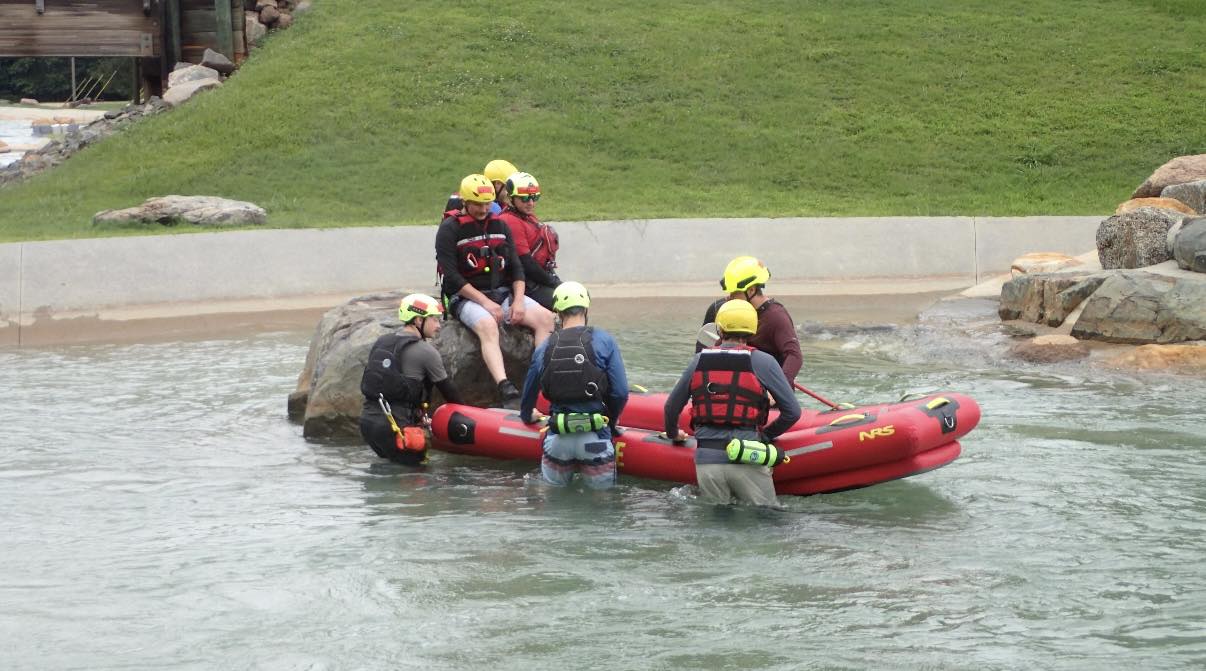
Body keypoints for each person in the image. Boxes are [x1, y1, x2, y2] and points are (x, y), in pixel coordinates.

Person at [435, 173, 554, 408]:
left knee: (546, 318)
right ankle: (505, 386)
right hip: (465, 298)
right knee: (488, 325)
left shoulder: (500, 224)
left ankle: (539, 380)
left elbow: (517, 269)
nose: (483, 209)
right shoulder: (449, 230)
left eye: (487, 204)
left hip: (502, 293)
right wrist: (486, 303)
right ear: (466, 203)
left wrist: (518, 300)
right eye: (478, 204)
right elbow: (452, 276)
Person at [665, 299, 801, 506]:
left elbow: (671, 407)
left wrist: (673, 433)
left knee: (716, 527)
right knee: (767, 521)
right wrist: (765, 436)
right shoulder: (763, 361)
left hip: (707, 464)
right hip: (747, 456)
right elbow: (792, 412)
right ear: (752, 330)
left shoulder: (699, 361)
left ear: (719, 329)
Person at [520, 282, 629, 489]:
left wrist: (527, 415)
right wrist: (611, 422)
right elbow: (620, 392)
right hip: (596, 437)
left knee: (554, 502)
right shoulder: (604, 340)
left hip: (558, 439)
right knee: (602, 505)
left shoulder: (544, 347)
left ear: (558, 311)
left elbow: (529, 392)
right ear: (586, 308)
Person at [360, 293, 466, 466]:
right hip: (397, 428)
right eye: (434, 319)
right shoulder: (426, 351)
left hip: (368, 424)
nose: (439, 326)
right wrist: (472, 418)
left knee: (388, 474)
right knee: (415, 481)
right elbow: (449, 392)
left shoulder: (382, 342)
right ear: (418, 320)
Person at [697, 256, 802, 382]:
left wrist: (779, 389)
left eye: (735, 293)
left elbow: (794, 356)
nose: (729, 297)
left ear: (751, 290)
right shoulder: (732, 311)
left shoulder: (776, 317)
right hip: (741, 388)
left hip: (769, 393)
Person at [499, 172, 561, 310]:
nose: (531, 203)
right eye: (525, 198)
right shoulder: (510, 221)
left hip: (538, 278)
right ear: (510, 198)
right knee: (567, 303)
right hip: (526, 283)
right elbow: (526, 263)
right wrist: (553, 283)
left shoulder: (527, 216)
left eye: (534, 197)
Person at [440, 159, 517, 219]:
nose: (511, 193)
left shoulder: (504, 205)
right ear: (498, 184)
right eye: (509, 188)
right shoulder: (493, 207)